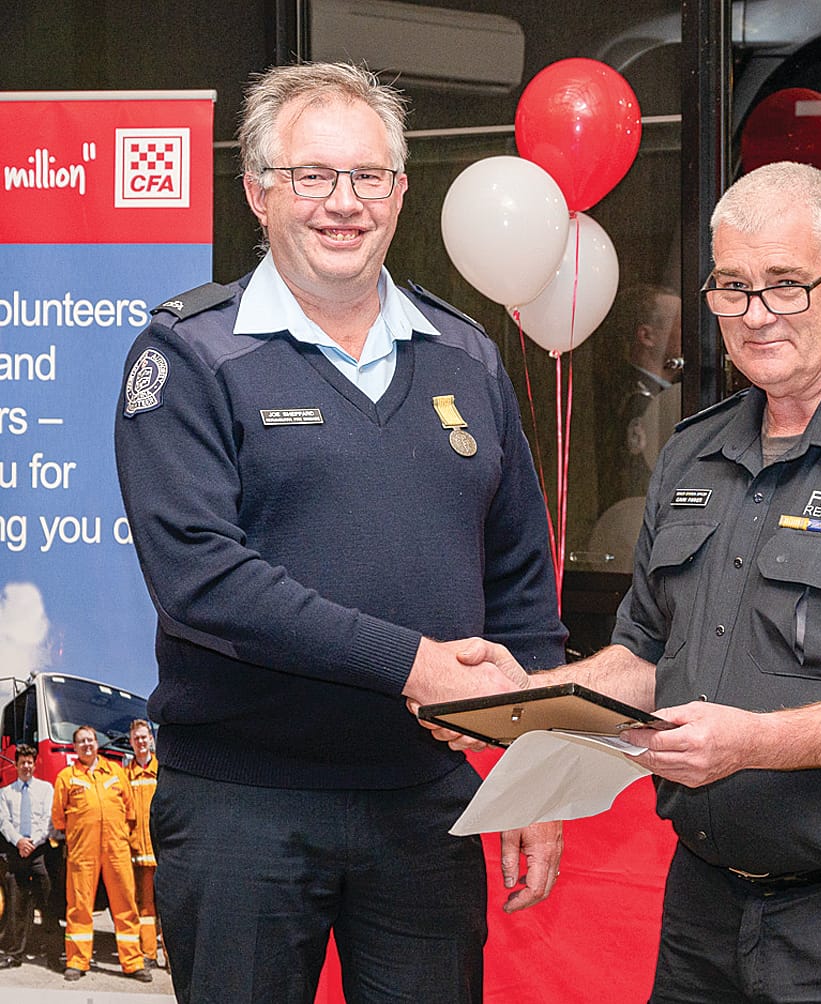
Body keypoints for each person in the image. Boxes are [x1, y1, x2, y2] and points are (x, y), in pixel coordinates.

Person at [429, 162, 821, 1002]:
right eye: (732, 287)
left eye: (785, 286)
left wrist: (752, 742)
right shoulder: (695, 453)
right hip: (705, 913)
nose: (755, 316)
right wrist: (522, 698)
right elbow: (644, 653)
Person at [114, 61, 565, 1003]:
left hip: (427, 805)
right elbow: (202, 578)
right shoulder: (190, 354)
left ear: (401, 194)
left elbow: (522, 584)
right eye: (311, 177)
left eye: (368, 178)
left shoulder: (467, 356)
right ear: (258, 195)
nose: (342, 204)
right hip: (244, 807)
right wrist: (413, 665)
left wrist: (537, 774)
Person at [51, 725, 149, 983]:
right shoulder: (66, 777)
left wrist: (121, 837)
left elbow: (130, 811)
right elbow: (58, 818)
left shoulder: (116, 773)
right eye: (81, 741)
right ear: (75, 747)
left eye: (90, 740)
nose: (86, 745)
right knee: (79, 906)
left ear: (97, 744)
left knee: (126, 904)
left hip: (117, 849)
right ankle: (77, 960)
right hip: (83, 851)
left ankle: (133, 962)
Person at [595, 283, 683, 514]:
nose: (691, 331)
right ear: (647, 336)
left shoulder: (659, 394)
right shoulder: (639, 401)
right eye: (679, 323)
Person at [0, 744, 55, 967]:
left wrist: (32, 842)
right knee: (16, 904)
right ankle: (15, 954)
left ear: (35, 764)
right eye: (22, 762)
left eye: (30, 762)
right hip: (16, 854)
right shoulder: (5, 792)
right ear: (15, 765)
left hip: (39, 853)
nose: (26, 766)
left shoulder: (46, 789)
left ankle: (54, 955)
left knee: (48, 903)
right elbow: (4, 822)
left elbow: (48, 820)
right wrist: (19, 841)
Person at [124, 720, 160, 968]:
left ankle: (173, 957)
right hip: (139, 852)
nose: (141, 742)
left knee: (170, 908)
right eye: (136, 738)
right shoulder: (126, 775)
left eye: (144, 737)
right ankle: (149, 953)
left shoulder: (163, 771)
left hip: (165, 852)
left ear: (151, 739)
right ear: (131, 742)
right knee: (145, 907)